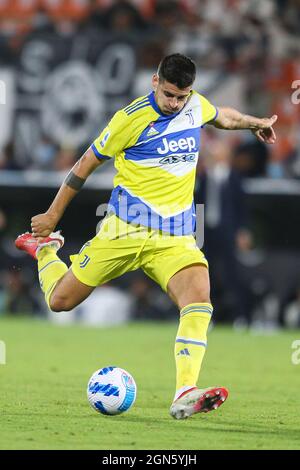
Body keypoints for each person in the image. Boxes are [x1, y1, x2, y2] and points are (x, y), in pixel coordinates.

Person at [15, 53, 277, 419]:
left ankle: (185, 391)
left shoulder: (194, 105)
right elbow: (83, 165)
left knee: (199, 296)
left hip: (176, 235)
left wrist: (253, 123)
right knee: (60, 302)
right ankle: (45, 251)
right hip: (124, 229)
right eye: (169, 94)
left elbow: (222, 116)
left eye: (181, 96)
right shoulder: (129, 119)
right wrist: (51, 215)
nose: (174, 103)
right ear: (155, 82)